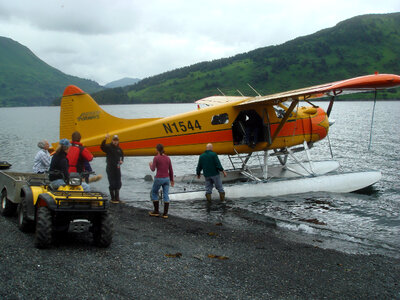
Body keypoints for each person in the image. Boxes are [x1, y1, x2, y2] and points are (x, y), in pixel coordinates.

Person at [148, 144, 174, 219]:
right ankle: (165, 214)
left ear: (157, 150)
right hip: (166, 178)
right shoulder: (168, 158)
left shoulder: (156, 158)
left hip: (159, 178)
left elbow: (153, 169)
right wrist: (172, 180)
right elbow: (171, 170)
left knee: (154, 192)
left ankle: (156, 211)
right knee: (166, 194)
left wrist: (150, 165)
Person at [101, 134, 124, 203]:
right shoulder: (108, 147)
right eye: (114, 140)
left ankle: (117, 198)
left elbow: (122, 156)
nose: (115, 142)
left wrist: (122, 161)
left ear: (118, 141)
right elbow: (102, 147)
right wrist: (105, 139)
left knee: (118, 183)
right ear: (112, 140)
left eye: (116, 140)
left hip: (117, 167)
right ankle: (112, 198)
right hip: (110, 168)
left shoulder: (119, 149)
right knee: (112, 183)